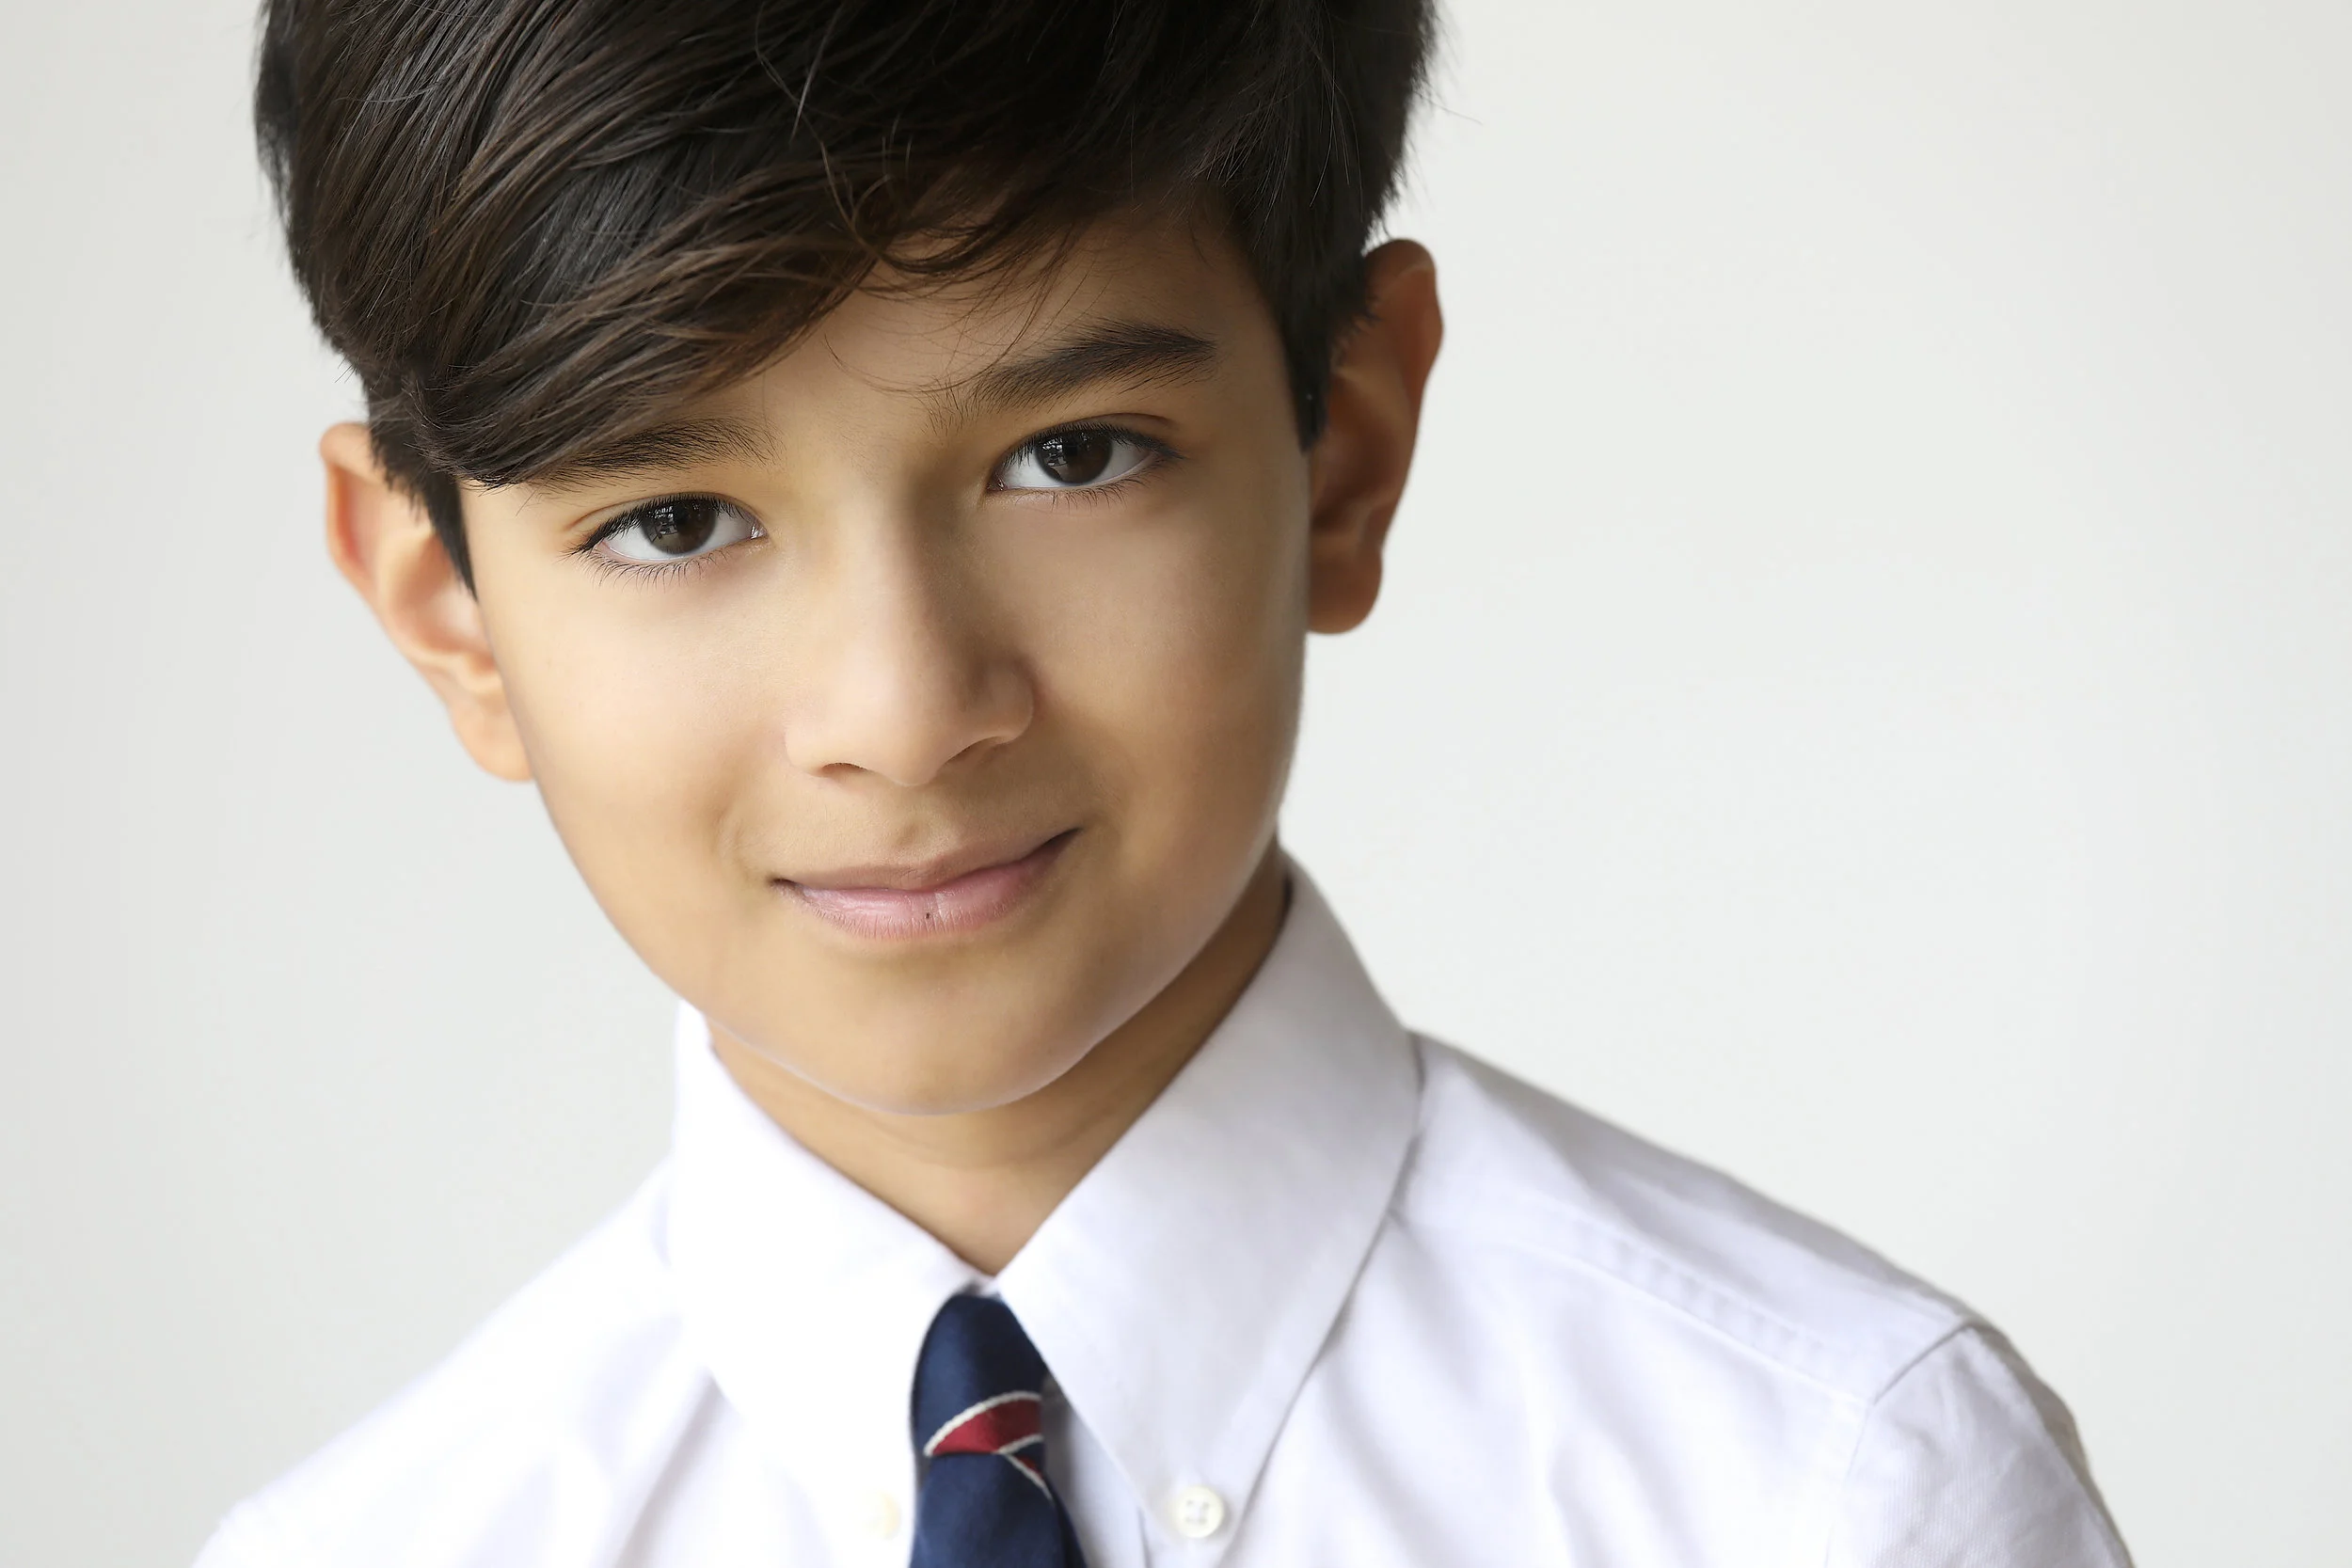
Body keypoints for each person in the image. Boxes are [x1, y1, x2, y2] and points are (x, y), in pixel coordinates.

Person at [198, 1, 2134, 1563]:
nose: (902, 706)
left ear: (1346, 454)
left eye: (1072, 454)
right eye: (677, 514)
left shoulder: (1833, 1495)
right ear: (443, 602)